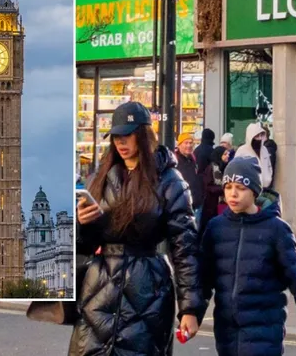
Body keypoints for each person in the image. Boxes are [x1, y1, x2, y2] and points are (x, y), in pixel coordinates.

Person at [70, 101, 202, 355]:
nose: (120, 142)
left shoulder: (169, 180)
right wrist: (82, 223)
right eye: (116, 136)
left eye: (127, 134)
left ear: (143, 134)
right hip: (100, 289)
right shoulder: (103, 175)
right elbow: (85, 244)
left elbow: (185, 247)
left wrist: (190, 309)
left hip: (147, 288)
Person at [198, 156, 296, 356]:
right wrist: (191, 316)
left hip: (265, 339)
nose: (233, 193)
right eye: (228, 186)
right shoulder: (216, 228)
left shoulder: (276, 230)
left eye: (241, 188)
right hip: (226, 339)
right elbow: (203, 281)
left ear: (255, 190)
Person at [174, 130, 205, 226]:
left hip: (196, 203)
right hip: (183, 206)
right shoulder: (175, 161)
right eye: (186, 143)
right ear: (179, 145)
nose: (189, 145)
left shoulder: (193, 159)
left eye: (191, 143)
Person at [234, 123, 274, 190]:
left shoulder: (264, 150)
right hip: (249, 188)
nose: (259, 138)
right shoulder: (242, 151)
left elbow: (269, 166)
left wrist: (268, 179)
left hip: (265, 188)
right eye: (257, 136)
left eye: (261, 135)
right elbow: (236, 170)